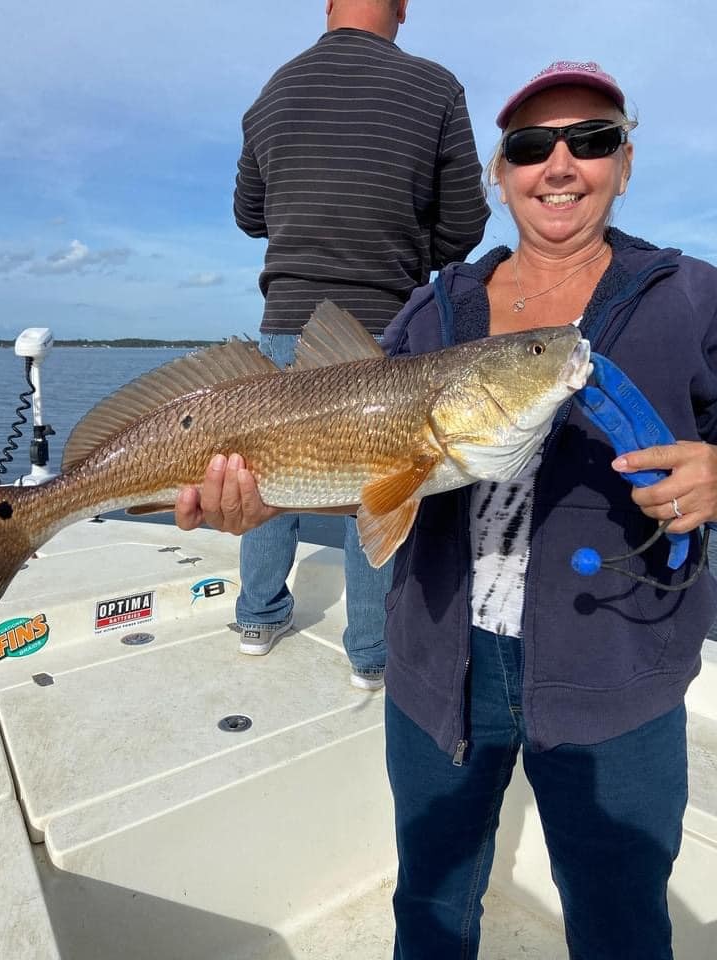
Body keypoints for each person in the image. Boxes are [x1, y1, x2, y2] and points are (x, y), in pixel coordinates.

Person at [175, 60, 717, 958]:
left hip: (617, 679)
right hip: (436, 675)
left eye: (592, 140)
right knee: (428, 905)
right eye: (531, 145)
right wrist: (252, 501)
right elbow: (354, 469)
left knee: (623, 925)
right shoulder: (434, 311)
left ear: (625, 161)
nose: (561, 164)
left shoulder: (692, 297)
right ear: (499, 175)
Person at [224, 0, 489, 689]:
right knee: (385, 482)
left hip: (286, 316)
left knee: (267, 467)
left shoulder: (274, 90)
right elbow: (464, 225)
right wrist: (405, 244)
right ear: (403, 9)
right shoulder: (435, 87)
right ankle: (371, 654)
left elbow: (248, 213)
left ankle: (257, 617)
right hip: (385, 322)